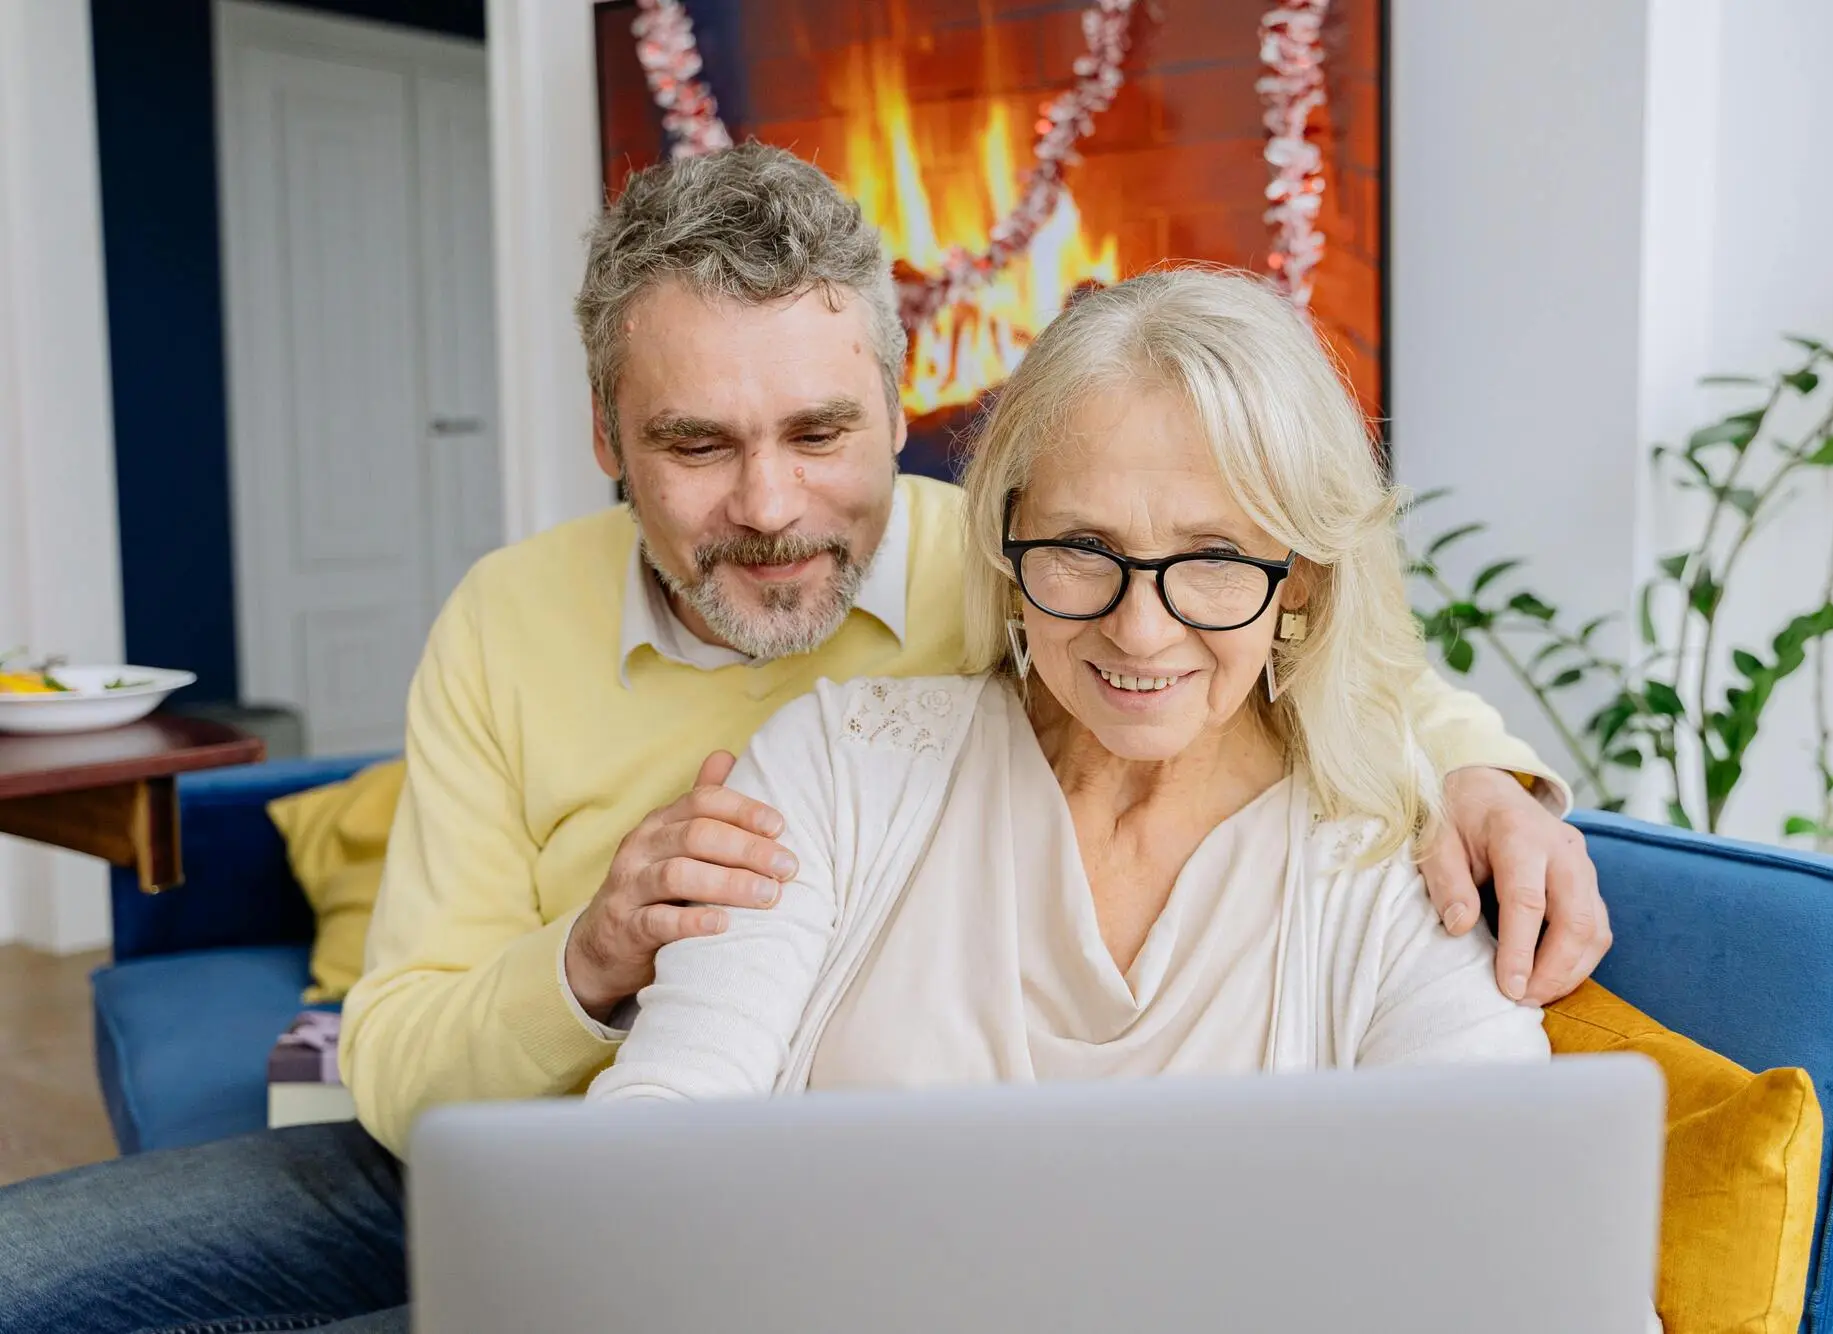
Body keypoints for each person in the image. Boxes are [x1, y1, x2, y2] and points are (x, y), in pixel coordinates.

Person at [0, 145, 1607, 1333]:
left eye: (819, 433)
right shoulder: (508, 618)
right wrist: (596, 951)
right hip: (492, 1151)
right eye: (697, 442)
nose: (769, 505)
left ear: (898, 416)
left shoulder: (1023, 567)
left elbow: (1253, 635)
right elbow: (405, 1062)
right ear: (607, 440)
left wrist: (1482, 773)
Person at [589, 265, 1552, 1108]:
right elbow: (662, 1125)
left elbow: (1517, 1247)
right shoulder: (834, 773)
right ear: (1008, 542)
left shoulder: (1401, 871)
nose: (1139, 628)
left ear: (1298, 575)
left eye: (1212, 556)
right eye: (1083, 549)